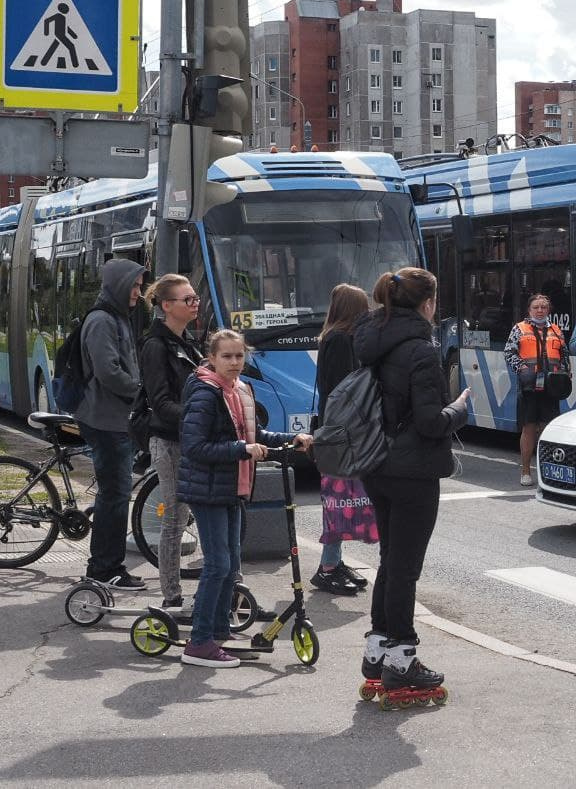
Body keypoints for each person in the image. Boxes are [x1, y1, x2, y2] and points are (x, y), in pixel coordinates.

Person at [354, 268, 470, 693]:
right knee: (405, 567)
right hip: (413, 471)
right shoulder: (421, 349)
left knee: (390, 560)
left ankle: (377, 650)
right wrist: (459, 409)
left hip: (374, 464)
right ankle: (402, 658)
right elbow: (429, 421)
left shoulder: (368, 339)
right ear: (428, 303)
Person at [177, 330, 312, 668]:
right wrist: (241, 449)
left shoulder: (240, 390)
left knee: (231, 563)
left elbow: (255, 435)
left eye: (239, 356)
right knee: (218, 565)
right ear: (211, 358)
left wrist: (290, 438)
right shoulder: (206, 393)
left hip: (233, 487)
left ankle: (220, 629)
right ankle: (199, 642)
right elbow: (194, 446)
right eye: (227, 356)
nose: (235, 362)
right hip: (207, 489)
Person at [76, 258, 148, 591]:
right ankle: (104, 569)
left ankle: (107, 566)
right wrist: (141, 393)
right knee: (115, 497)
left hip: (115, 418)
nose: (139, 292)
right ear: (120, 285)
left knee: (115, 495)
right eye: (134, 285)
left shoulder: (118, 318)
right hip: (105, 420)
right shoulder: (102, 321)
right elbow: (108, 373)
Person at [139, 274, 203, 616]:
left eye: (194, 298)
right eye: (187, 299)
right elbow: (160, 402)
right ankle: (172, 596)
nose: (195, 303)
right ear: (167, 306)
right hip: (170, 442)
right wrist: (200, 418)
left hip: (192, 441)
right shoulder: (155, 346)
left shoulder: (188, 341)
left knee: (198, 515)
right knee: (175, 522)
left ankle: (219, 590)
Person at [312, 283, 372, 596]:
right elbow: (341, 389)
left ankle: (332, 561)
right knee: (337, 500)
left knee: (341, 499)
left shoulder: (338, 337)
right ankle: (327, 567)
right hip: (339, 435)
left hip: (338, 433)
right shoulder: (339, 340)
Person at [505, 294, 568, 486]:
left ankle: (548, 471)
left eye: (543, 307)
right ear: (529, 310)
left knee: (549, 430)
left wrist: (566, 374)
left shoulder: (556, 330)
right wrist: (522, 369)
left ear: (549, 310)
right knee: (529, 428)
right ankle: (526, 471)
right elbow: (509, 352)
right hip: (529, 386)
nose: (540, 310)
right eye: (536, 307)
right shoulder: (519, 328)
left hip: (552, 387)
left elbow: (564, 355)